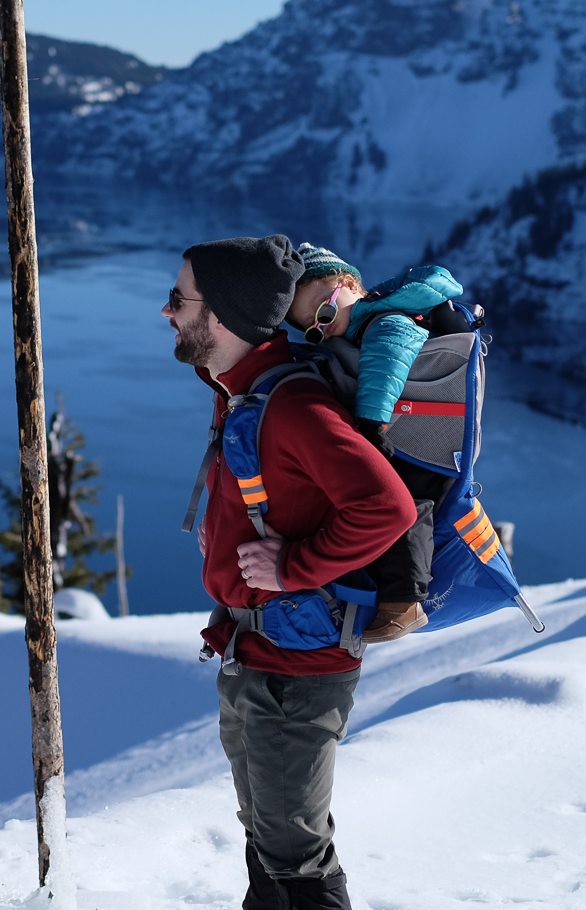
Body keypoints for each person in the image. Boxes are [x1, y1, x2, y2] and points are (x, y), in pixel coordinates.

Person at [164, 234, 415, 910]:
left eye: (179, 299)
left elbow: (385, 507)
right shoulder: (241, 387)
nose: (168, 313)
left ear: (220, 315)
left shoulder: (293, 407)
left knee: (297, 859)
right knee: (269, 840)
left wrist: (294, 566)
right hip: (255, 651)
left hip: (296, 671)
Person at [285, 243, 466, 642]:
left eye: (325, 313)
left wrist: (370, 423)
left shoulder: (386, 321)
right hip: (414, 436)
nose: (324, 328)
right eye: (313, 330)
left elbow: (386, 369)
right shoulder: (361, 324)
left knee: (400, 504)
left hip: (416, 443)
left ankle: (404, 604)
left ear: (350, 283)